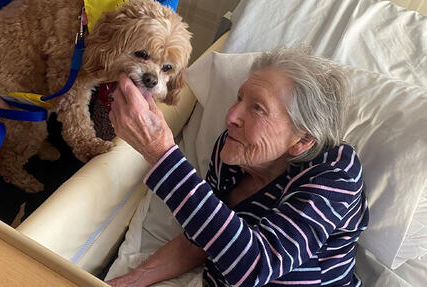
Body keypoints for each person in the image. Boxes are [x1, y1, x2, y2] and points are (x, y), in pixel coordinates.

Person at [106, 47, 369, 286]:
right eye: (239, 98)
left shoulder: (334, 175)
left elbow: (255, 266)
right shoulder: (232, 151)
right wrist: (128, 282)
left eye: (257, 108)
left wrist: (161, 153)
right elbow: (204, 236)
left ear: (302, 140)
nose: (231, 116)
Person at [0, 0, 179, 224]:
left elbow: (160, 24)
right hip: (2, 85)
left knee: (55, 205)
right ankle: (9, 167)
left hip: (82, 87)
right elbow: (67, 85)